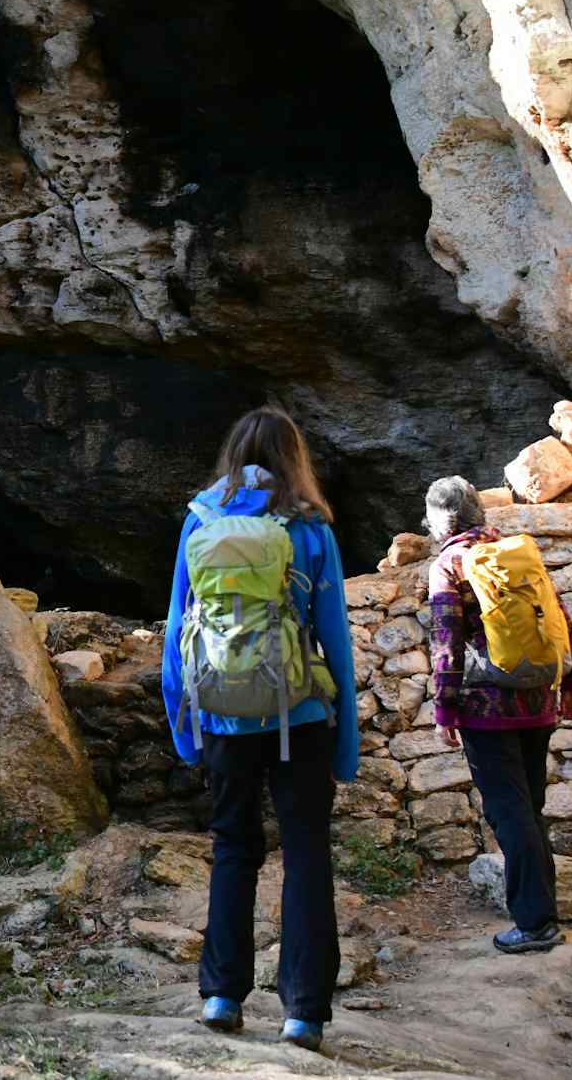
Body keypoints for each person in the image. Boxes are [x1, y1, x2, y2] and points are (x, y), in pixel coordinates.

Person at [161, 407, 358, 1053]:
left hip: (221, 713)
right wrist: (347, 743)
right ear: (292, 456)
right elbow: (335, 641)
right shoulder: (308, 527)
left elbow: (175, 633)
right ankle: (304, 1012)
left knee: (233, 850)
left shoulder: (202, 519)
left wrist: (185, 727)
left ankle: (222, 995)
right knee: (305, 854)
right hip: (298, 714)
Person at [422, 475, 572, 953]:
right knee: (530, 806)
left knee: (508, 811)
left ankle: (534, 924)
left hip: (486, 709)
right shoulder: (517, 552)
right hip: (538, 700)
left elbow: (445, 641)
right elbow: (559, 620)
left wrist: (445, 710)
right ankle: (545, 914)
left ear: (439, 518)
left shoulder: (449, 564)